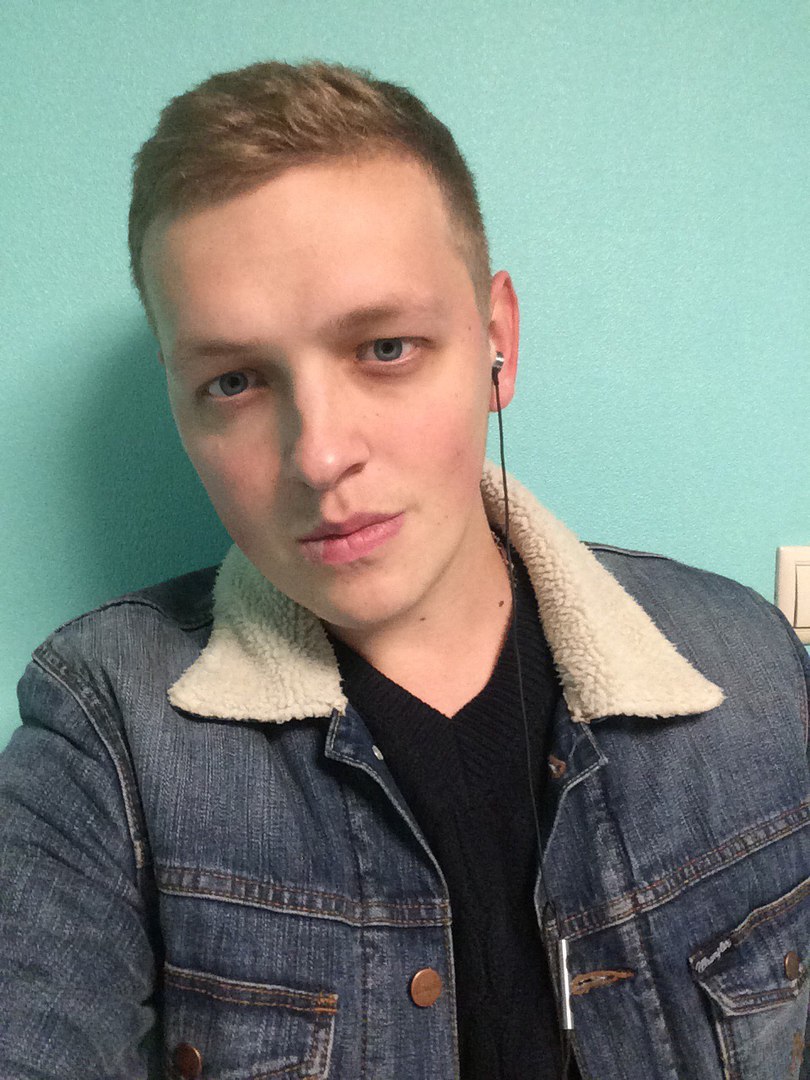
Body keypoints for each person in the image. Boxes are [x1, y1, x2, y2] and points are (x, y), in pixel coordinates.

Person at [0, 60, 807, 1080]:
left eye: (385, 348)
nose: (319, 456)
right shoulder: (107, 731)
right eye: (235, 381)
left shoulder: (753, 669)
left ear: (496, 341)